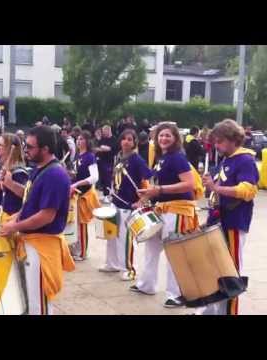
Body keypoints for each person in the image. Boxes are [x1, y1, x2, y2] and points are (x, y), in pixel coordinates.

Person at [0, 125, 75, 315]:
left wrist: (14, 226)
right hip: (33, 242)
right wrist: (14, 218)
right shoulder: (39, 170)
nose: (26, 150)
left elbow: (46, 215)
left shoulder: (55, 174)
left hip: (42, 245)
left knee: (38, 301)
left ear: (46, 149)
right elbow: (29, 202)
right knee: (33, 298)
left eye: (31, 147)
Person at [130, 122, 199, 309]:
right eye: (161, 135)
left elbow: (189, 184)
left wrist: (158, 189)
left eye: (168, 135)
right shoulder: (163, 157)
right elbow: (157, 185)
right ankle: (147, 284)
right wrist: (146, 196)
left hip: (177, 209)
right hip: (163, 208)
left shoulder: (177, 158)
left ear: (176, 138)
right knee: (152, 247)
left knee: (173, 252)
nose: (163, 138)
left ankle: (176, 294)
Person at [200, 119, 259, 315]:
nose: (216, 146)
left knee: (229, 270)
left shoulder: (245, 160)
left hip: (233, 222)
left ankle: (229, 312)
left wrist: (216, 187)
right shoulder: (227, 159)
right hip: (218, 220)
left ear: (233, 139)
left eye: (220, 141)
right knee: (213, 268)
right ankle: (211, 310)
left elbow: (248, 190)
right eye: (215, 142)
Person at [99, 129, 153, 281]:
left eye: (130, 139)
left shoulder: (137, 160)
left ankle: (129, 269)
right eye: (124, 138)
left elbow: (149, 180)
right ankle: (112, 263)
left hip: (127, 205)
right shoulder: (119, 156)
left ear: (134, 142)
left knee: (125, 239)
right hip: (114, 202)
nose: (126, 141)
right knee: (111, 235)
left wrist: (141, 201)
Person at [69, 130, 101, 261]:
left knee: (82, 224)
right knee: (75, 223)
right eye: (78, 139)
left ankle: (82, 252)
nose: (79, 141)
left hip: (84, 194)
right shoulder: (77, 156)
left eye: (82, 139)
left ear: (87, 141)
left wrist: (77, 183)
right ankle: (74, 249)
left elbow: (94, 177)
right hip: (75, 193)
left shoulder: (90, 156)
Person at [95, 125, 117, 196]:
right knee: (101, 178)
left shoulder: (113, 139)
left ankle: (107, 194)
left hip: (109, 162)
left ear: (108, 131)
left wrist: (102, 148)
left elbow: (109, 149)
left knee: (107, 178)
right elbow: (98, 148)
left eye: (104, 132)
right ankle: (103, 193)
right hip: (100, 161)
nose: (103, 133)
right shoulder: (102, 139)